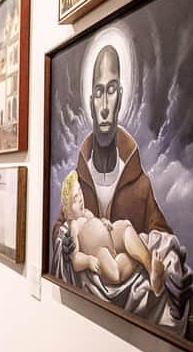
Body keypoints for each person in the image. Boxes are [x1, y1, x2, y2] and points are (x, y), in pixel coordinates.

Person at [56, 44, 170, 237]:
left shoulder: (140, 184)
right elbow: (59, 229)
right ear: (91, 103)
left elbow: (163, 235)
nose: (105, 107)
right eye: (99, 93)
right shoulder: (77, 182)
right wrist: (69, 239)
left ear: (120, 97)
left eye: (111, 90)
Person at [60, 170, 164, 291]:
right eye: (75, 198)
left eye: (80, 192)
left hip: (110, 239)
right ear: (68, 210)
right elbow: (75, 259)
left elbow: (96, 223)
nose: (80, 199)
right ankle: (137, 259)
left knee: (125, 227)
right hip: (100, 252)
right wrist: (88, 261)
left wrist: (104, 222)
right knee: (115, 272)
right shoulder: (74, 225)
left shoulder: (87, 213)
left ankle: (151, 268)